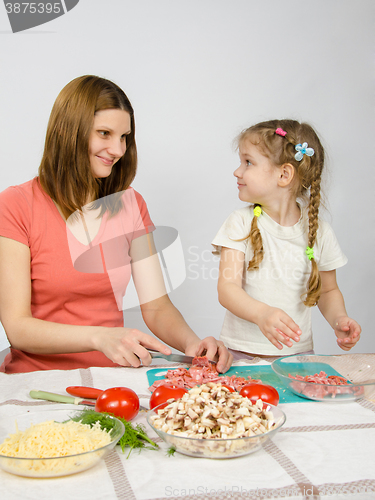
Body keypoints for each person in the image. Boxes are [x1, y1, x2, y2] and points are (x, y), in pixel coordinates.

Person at [0, 75, 232, 374]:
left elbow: (156, 307)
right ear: (68, 131)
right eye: (105, 133)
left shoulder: (131, 204)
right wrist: (99, 336)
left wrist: (193, 345)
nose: (119, 149)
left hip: (112, 378)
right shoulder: (16, 205)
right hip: (38, 381)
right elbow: (17, 327)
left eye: (124, 137)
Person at [212, 119, 361, 360]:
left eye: (248, 162)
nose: (237, 171)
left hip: (297, 357)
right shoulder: (239, 222)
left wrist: (339, 318)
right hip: (241, 354)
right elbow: (227, 289)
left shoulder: (318, 232)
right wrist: (262, 314)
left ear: (284, 174)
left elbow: (328, 290)